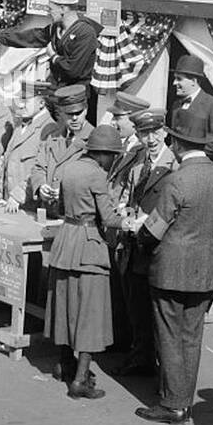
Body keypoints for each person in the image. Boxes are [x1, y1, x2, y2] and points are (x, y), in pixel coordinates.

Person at [129, 112, 213, 425]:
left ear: (177, 144)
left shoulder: (176, 180)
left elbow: (153, 231)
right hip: (206, 269)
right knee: (191, 336)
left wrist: (138, 237)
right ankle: (184, 401)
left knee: (168, 335)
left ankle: (172, 403)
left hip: (170, 270)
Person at [46, 125, 126, 398]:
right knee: (90, 313)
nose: (112, 161)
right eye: (112, 156)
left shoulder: (69, 168)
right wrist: (129, 219)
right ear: (103, 155)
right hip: (89, 247)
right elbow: (110, 218)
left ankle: (62, 364)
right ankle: (80, 380)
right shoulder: (97, 175)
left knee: (65, 306)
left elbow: (59, 207)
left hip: (65, 241)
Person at [109, 108, 173, 377]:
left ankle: (157, 361)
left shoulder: (175, 165)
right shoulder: (137, 166)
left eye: (156, 133)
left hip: (158, 246)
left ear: (164, 133)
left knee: (154, 307)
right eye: (145, 134)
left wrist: (147, 221)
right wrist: (125, 211)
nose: (151, 139)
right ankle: (140, 354)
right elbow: (129, 197)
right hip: (135, 243)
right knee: (135, 303)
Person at [0, 0, 102, 118]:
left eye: (50, 9)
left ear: (63, 9)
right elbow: (29, 37)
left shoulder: (85, 33)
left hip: (74, 100)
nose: (47, 12)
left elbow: (73, 69)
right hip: (54, 95)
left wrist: (53, 56)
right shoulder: (55, 28)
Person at [0, 79, 55, 211]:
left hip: (29, 208)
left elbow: (41, 170)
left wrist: (18, 195)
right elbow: (9, 156)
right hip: (9, 203)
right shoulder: (21, 125)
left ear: (41, 103)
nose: (21, 105)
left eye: (26, 101)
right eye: (20, 100)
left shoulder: (49, 130)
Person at [30, 84, 93, 217]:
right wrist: (41, 186)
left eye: (78, 113)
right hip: (48, 212)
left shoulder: (94, 140)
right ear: (61, 113)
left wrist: (65, 192)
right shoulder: (53, 137)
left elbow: (94, 182)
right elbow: (38, 167)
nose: (75, 118)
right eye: (70, 114)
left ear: (86, 110)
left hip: (75, 216)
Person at [169, 54, 213, 143]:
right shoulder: (176, 105)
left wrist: (193, 152)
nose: (174, 83)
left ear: (193, 81)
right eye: (175, 78)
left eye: (179, 79)